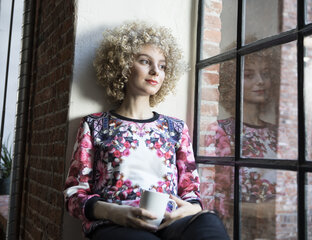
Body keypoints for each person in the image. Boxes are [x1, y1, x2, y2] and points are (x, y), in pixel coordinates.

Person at [64, 22, 230, 240]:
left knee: (209, 222)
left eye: (162, 66)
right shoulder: (94, 125)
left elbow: (191, 192)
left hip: (171, 222)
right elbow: (75, 195)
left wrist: (190, 209)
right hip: (115, 224)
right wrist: (115, 212)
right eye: (145, 61)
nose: (155, 72)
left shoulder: (176, 128)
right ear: (122, 66)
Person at [203, 48, 280, 239]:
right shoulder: (221, 132)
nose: (260, 81)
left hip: (276, 229)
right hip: (238, 230)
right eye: (249, 75)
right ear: (232, 82)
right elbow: (216, 200)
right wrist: (259, 209)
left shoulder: (277, 133)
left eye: (265, 74)